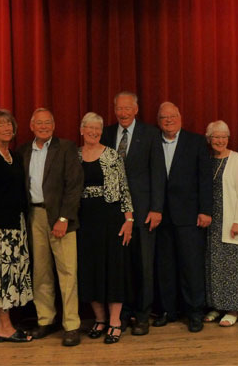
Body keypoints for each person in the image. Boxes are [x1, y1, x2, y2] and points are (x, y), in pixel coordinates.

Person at [18, 108, 84, 347]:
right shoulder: (23, 150)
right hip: (34, 216)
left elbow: (74, 185)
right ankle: (45, 319)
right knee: (41, 272)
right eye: (39, 123)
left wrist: (64, 218)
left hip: (61, 218)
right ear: (31, 125)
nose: (44, 126)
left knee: (68, 273)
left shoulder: (66, 148)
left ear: (54, 125)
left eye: (48, 122)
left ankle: (71, 325)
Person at [101, 91, 165, 336]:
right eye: (119, 108)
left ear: (136, 110)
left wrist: (156, 208)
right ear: (114, 109)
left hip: (143, 212)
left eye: (128, 108)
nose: (123, 113)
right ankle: (123, 313)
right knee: (120, 267)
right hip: (114, 214)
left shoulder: (150, 134)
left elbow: (158, 173)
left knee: (143, 267)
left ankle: (142, 315)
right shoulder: (106, 133)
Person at [154, 101, 212, 333]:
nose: (169, 121)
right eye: (164, 118)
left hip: (189, 215)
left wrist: (206, 210)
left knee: (191, 266)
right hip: (160, 216)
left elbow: (205, 179)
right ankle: (168, 310)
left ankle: (195, 312)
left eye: (172, 116)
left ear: (180, 117)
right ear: (158, 122)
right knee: (165, 267)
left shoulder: (196, 141)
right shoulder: (152, 141)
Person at [77, 112, 134, 344]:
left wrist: (128, 220)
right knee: (89, 269)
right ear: (81, 130)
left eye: (97, 129)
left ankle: (115, 321)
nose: (93, 132)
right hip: (84, 219)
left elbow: (124, 189)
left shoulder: (112, 155)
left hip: (110, 217)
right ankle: (99, 319)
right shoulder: (74, 155)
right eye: (89, 128)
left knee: (113, 269)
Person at [0, 109, 33, 343]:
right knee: (3, 278)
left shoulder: (15, 155)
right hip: (1, 229)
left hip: (17, 226)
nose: (7, 128)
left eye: (10, 124)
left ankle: (1, 326)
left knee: (13, 276)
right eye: (1, 125)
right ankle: (5, 326)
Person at [203, 120, 238, 327]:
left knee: (232, 265)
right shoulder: (205, 158)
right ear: (209, 139)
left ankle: (233, 309)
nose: (220, 140)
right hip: (210, 222)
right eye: (216, 136)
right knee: (213, 266)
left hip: (230, 220)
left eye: (224, 136)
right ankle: (216, 306)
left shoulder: (237, 159)